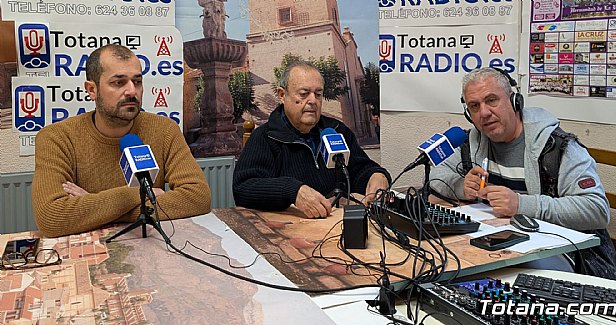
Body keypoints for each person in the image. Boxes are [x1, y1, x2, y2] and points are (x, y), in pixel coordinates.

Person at [430, 67, 616, 280]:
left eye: (492, 100)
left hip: (566, 255)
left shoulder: (557, 147)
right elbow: (435, 177)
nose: (483, 113)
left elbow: (596, 209)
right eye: (475, 106)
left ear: (514, 101)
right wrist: (460, 186)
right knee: (442, 264)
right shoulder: (472, 141)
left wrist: (521, 204)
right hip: (498, 246)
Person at [32, 44, 211, 238]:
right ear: (92, 90)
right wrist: (142, 195)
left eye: (137, 81)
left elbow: (197, 197)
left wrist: (94, 206)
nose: (132, 91)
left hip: (149, 247)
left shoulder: (164, 130)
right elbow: (52, 218)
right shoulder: (57, 138)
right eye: (119, 83)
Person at [233, 61, 390, 219]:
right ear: (282, 95)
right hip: (292, 233)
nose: (313, 100)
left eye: (318, 94)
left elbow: (360, 170)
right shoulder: (265, 137)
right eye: (304, 93)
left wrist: (376, 176)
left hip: (339, 227)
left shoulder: (337, 131)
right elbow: (243, 188)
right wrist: (293, 191)